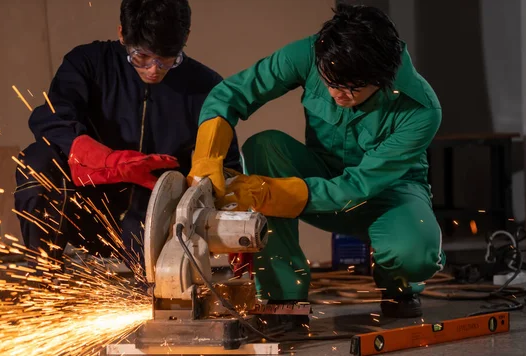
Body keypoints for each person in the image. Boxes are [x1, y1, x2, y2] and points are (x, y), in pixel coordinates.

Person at [188, 4, 444, 318]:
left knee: (416, 254)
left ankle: (398, 289)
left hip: (388, 193)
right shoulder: (314, 52)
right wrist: (207, 155)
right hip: (319, 175)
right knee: (265, 146)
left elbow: (359, 185)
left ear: (382, 78)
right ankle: (284, 300)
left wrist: (268, 193)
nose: (336, 94)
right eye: (329, 82)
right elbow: (235, 91)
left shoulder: (422, 109)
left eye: (350, 89)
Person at [14, 0, 241, 268]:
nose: (154, 69)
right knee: (38, 162)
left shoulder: (206, 86)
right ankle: (43, 271)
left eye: (168, 59)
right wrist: (105, 159)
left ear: (185, 39)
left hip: (155, 211)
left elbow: (225, 166)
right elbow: (52, 118)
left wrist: (235, 223)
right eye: (141, 57)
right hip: (87, 200)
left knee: (150, 281)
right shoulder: (87, 63)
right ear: (122, 33)